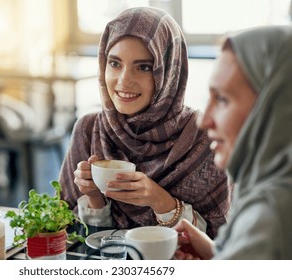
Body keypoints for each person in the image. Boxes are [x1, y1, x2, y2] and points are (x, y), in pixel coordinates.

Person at [59, 7, 231, 239]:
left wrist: (160, 201)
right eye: (115, 63)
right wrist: (94, 197)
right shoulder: (90, 131)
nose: (123, 81)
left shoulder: (204, 137)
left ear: (169, 71)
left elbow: (219, 243)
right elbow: (67, 236)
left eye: (144, 67)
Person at [174, 25, 292, 259]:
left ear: (273, 108)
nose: (204, 120)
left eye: (223, 99)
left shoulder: (269, 216)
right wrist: (217, 254)